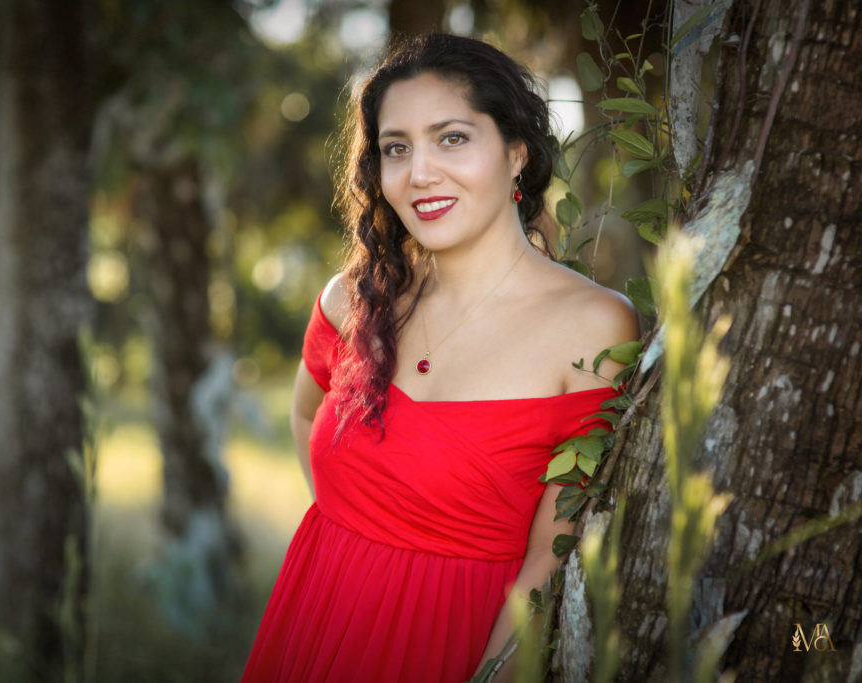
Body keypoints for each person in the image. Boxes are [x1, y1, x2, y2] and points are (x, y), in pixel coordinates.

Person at [241, 33, 640, 682]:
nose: (419, 172)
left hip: (457, 654)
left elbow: (552, 551)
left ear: (516, 154)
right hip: (311, 631)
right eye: (396, 148)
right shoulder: (354, 299)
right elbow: (301, 414)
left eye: (452, 138)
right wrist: (358, 545)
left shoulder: (594, 326)